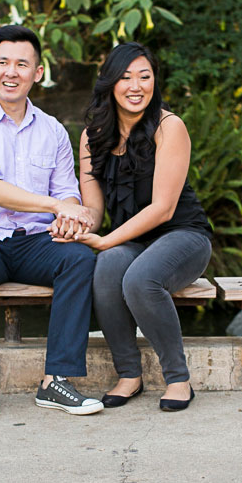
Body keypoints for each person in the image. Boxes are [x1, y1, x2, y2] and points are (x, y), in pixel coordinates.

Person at [0, 24, 103, 416]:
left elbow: (68, 191)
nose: (10, 72)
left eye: (21, 64)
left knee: (79, 258)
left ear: (37, 72)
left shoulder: (52, 130)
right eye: (3, 63)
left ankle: (56, 381)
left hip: (33, 242)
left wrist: (68, 218)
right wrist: (56, 206)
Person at [49, 42, 213, 411]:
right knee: (106, 271)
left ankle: (178, 379)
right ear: (110, 82)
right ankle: (129, 374)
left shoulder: (169, 127)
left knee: (140, 279)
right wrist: (74, 224)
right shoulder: (92, 135)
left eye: (145, 76)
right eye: (125, 77)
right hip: (133, 239)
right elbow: (93, 207)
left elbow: (163, 209)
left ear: (155, 80)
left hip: (182, 235)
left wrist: (105, 241)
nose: (135, 85)